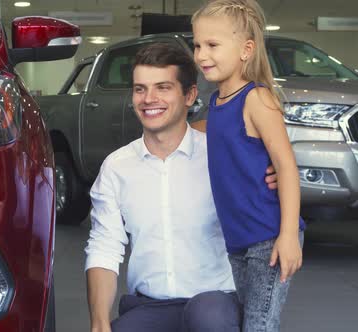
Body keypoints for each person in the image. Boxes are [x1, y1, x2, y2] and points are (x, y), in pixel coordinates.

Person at [85, 42, 278, 332]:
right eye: (140, 89)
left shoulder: (222, 155)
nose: (149, 99)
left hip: (216, 304)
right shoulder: (116, 167)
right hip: (151, 306)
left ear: (189, 96)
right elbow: (104, 247)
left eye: (163, 88)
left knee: (207, 314)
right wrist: (99, 322)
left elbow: (276, 164)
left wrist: (273, 173)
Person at [192, 0, 305, 330]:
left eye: (212, 45)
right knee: (246, 323)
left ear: (246, 49)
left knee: (259, 326)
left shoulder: (256, 99)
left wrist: (287, 237)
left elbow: (286, 166)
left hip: (269, 238)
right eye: (197, 45)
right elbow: (216, 135)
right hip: (238, 241)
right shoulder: (216, 102)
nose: (201, 54)